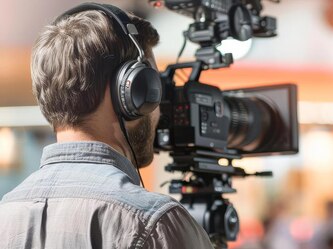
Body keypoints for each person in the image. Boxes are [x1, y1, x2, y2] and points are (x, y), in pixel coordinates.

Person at [0, 3, 214, 249]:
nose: (158, 109)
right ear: (131, 93)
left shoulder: (5, 214)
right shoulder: (153, 223)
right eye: (154, 91)